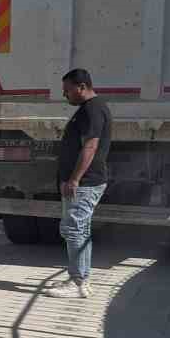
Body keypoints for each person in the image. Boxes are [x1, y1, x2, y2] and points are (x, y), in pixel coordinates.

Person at [49, 68, 112, 300]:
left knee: (74, 229)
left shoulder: (92, 110)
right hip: (84, 181)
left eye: (67, 90)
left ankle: (77, 282)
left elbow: (90, 146)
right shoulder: (89, 109)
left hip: (85, 182)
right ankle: (81, 279)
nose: (64, 94)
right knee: (80, 229)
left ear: (82, 87)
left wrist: (74, 179)